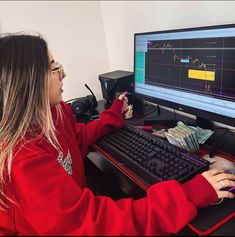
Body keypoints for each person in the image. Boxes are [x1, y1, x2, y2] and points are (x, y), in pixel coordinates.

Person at [0, 33, 234, 236]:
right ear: (27, 84)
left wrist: (112, 116)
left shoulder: (54, 111)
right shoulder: (23, 158)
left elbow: (75, 139)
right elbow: (90, 226)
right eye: (53, 67)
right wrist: (190, 194)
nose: (64, 74)